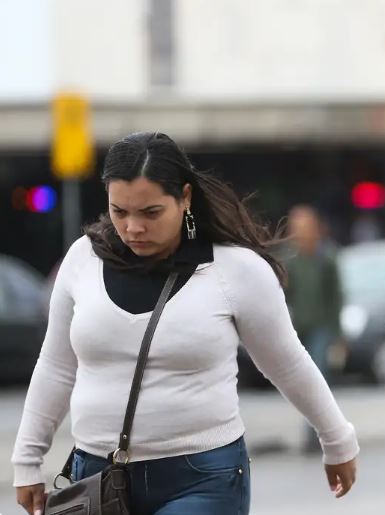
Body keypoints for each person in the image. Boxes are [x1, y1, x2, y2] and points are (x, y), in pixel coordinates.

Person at [12, 132, 359, 515]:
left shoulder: (236, 271)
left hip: (202, 478)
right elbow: (57, 366)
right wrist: (27, 459)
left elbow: (287, 363)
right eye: (120, 211)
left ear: (186, 198)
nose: (133, 228)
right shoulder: (82, 260)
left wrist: (337, 439)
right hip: (96, 479)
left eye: (150, 212)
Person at [284, 205, 343, 452]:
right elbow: (284, 296)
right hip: (299, 329)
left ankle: (317, 434)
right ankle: (317, 430)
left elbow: (336, 298)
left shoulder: (326, 257)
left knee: (317, 379)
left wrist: (338, 336)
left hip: (322, 329)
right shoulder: (290, 260)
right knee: (300, 383)